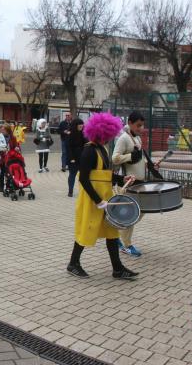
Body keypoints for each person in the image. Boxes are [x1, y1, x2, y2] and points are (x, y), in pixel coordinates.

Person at [67, 112, 138, 280]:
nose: (111, 138)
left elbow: (105, 175)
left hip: (106, 199)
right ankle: (73, 264)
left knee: (112, 232)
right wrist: (98, 201)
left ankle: (118, 268)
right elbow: (83, 179)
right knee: (86, 229)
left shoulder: (102, 150)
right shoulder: (89, 151)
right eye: (109, 135)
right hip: (92, 200)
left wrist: (122, 179)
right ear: (102, 133)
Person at [112, 111, 146, 257]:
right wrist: (130, 156)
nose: (141, 128)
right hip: (127, 184)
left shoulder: (137, 138)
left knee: (140, 211)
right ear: (130, 123)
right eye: (138, 125)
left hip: (138, 183)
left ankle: (114, 233)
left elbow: (139, 159)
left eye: (142, 125)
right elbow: (115, 158)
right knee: (130, 215)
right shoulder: (124, 138)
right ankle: (126, 245)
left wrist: (150, 165)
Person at [66, 118, 87, 197]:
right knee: (72, 174)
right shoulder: (70, 134)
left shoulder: (84, 134)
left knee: (83, 175)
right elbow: (68, 147)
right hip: (73, 158)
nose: (81, 125)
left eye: (82, 124)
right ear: (76, 125)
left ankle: (83, 191)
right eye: (79, 124)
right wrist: (71, 158)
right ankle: (70, 191)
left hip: (82, 157)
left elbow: (86, 144)